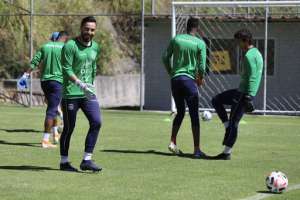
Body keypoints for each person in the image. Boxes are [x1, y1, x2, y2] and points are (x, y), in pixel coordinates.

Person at [211, 29, 263, 160]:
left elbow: (253, 76)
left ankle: (226, 153)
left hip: (244, 93)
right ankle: (226, 126)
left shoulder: (249, 56)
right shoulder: (257, 52)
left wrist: (249, 96)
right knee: (217, 100)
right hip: (242, 91)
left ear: (245, 41)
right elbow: (257, 75)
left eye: (239, 41)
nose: (238, 44)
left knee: (234, 123)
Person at [59, 16, 102, 172]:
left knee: (96, 122)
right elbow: (66, 69)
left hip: (87, 93)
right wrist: (79, 83)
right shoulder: (70, 46)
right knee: (69, 128)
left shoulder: (95, 47)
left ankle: (87, 160)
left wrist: (90, 85)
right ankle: (64, 162)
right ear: (81, 28)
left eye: (92, 30)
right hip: (71, 93)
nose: (89, 32)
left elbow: (93, 66)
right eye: (86, 29)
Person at [162, 17, 207, 158]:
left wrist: (172, 72)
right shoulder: (200, 43)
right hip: (189, 81)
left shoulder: (176, 39)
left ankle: (172, 141)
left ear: (186, 27)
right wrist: (200, 78)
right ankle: (197, 150)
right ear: (197, 28)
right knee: (194, 115)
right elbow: (202, 66)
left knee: (180, 112)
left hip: (175, 80)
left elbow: (164, 57)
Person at [18, 31, 69, 148]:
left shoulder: (45, 47)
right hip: (57, 82)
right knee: (52, 110)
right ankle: (45, 140)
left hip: (45, 82)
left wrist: (26, 75)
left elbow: (35, 62)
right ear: (64, 39)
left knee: (53, 107)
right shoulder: (65, 48)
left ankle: (55, 134)